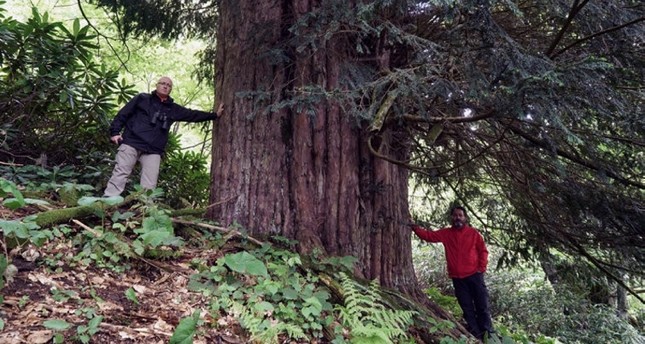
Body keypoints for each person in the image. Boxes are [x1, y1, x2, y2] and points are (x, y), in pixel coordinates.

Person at [103, 76, 224, 197]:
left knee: (150, 184)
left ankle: (145, 211)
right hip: (131, 143)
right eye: (163, 83)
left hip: (153, 150)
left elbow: (192, 115)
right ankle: (108, 204)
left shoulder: (173, 109)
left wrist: (214, 115)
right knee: (120, 174)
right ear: (157, 85)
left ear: (170, 89)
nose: (165, 86)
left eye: (169, 85)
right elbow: (123, 114)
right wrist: (115, 132)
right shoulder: (142, 99)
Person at [410, 206, 494, 341]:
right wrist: (415, 227)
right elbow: (429, 236)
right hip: (458, 278)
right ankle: (477, 336)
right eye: (455, 215)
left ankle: (489, 335)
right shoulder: (446, 233)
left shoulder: (473, 233)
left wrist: (481, 268)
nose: (458, 218)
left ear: (465, 218)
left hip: (475, 275)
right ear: (451, 218)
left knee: (482, 305)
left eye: (460, 215)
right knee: (467, 308)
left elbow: (483, 251)